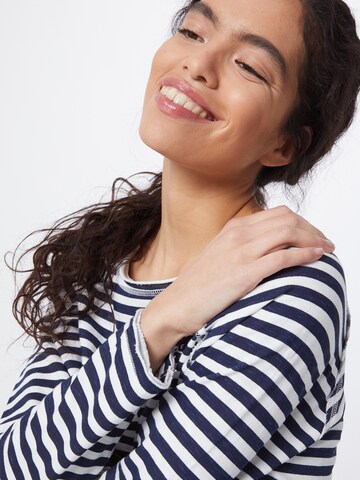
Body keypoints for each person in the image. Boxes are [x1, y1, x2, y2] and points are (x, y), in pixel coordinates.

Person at [0, 0, 359, 478]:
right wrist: (163, 319)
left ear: (284, 144)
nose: (198, 64)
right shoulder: (105, 261)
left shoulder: (291, 285)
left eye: (248, 66)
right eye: (192, 32)